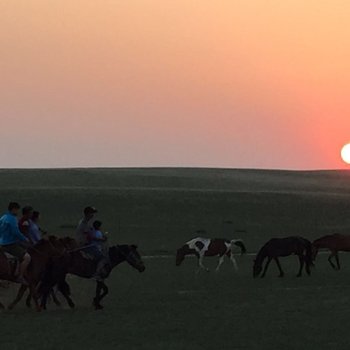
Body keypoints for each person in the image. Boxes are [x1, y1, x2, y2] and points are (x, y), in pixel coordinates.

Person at [0, 202, 31, 283]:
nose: (17, 212)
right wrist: (25, 239)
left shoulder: (3, 217)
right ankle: (20, 276)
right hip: (10, 244)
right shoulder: (12, 219)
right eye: (17, 210)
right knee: (27, 257)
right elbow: (16, 232)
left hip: (1, 243)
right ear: (13, 209)